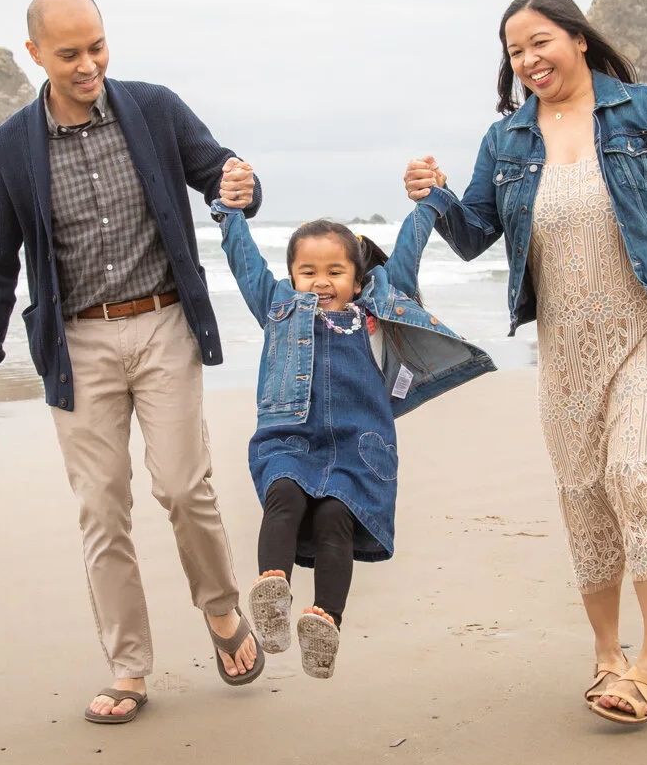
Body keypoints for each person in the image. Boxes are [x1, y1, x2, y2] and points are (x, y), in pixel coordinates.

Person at [404, 0, 647, 725]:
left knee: (639, 466)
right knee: (586, 494)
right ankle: (608, 655)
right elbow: (475, 232)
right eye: (515, 51)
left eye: (540, 40)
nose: (528, 59)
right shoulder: (507, 141)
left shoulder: (644, 112)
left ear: (578, 38)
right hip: (566, 344)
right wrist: (439, 195)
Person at [0, 0, 265, 725]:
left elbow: (224, 178)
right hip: (78, 345)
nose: (89, 63)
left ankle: (222, 612)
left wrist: (243, 187)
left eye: (97, 46)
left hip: (163, 324)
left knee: (183, 487)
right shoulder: (8, 151)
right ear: (36, 53)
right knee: (102, 508)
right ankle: (128, 666)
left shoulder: (154, 108)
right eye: (70, 53)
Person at [211, 158, 494, 679]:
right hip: (289, 436)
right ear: (292, 275)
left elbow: (408, 248)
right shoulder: (277, 304)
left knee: (336, 519)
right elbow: (244, 260)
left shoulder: (378, 306)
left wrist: (430, 202)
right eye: (308, 272)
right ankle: (272, 589)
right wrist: (230, 215)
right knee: (285, 498)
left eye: (335, 272)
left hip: (359, 444)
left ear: (358, 276)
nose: (321, 282)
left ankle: (325, 619)